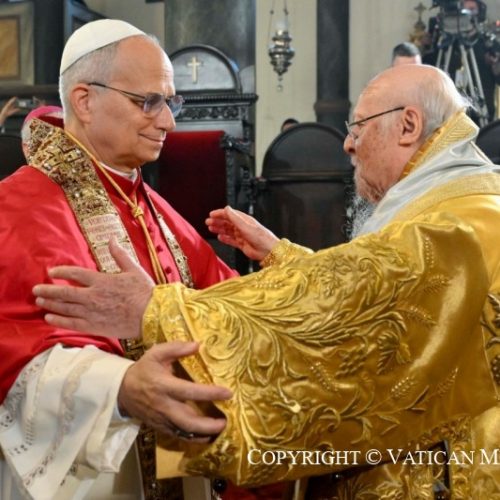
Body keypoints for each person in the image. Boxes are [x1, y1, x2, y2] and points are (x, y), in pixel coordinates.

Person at [34, 63, 500, 498]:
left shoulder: (456, 223)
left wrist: (159, 310)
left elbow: (361, 304)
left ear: (409, 126)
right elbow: (372, 289)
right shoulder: (462, 201)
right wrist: (282, 255)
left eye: (357, 127)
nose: (348, 144)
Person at [0, 18, 242, 500]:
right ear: (85, 101)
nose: (169, 122)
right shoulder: (18, 208)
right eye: (148, 101)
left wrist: (280, 260)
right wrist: (121, 389)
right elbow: (16, 357)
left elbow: (228, 299)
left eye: (171, 102)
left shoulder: (152, 208)